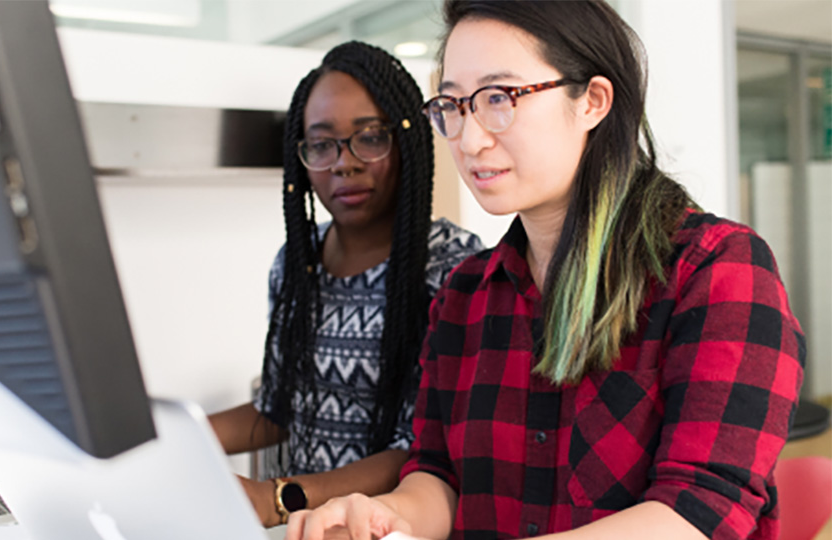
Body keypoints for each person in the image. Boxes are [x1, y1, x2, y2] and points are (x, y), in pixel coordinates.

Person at [286, 1, 806, 539]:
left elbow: (699, 512)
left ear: (593, 102)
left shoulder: (718, 269)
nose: (469, 139)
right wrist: (387, 517)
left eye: (499, 98)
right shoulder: (464, 294)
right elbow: (438, 476)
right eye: (454, 105)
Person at [208, 41, 483, 528]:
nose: (344, 163)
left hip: (388, 528)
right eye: (322, 144)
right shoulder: (297, 263)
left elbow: (422, 448)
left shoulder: (452, 268)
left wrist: (278, 498)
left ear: (407, 141)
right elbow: (278, 408)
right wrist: (171, 439)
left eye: (370, 138)